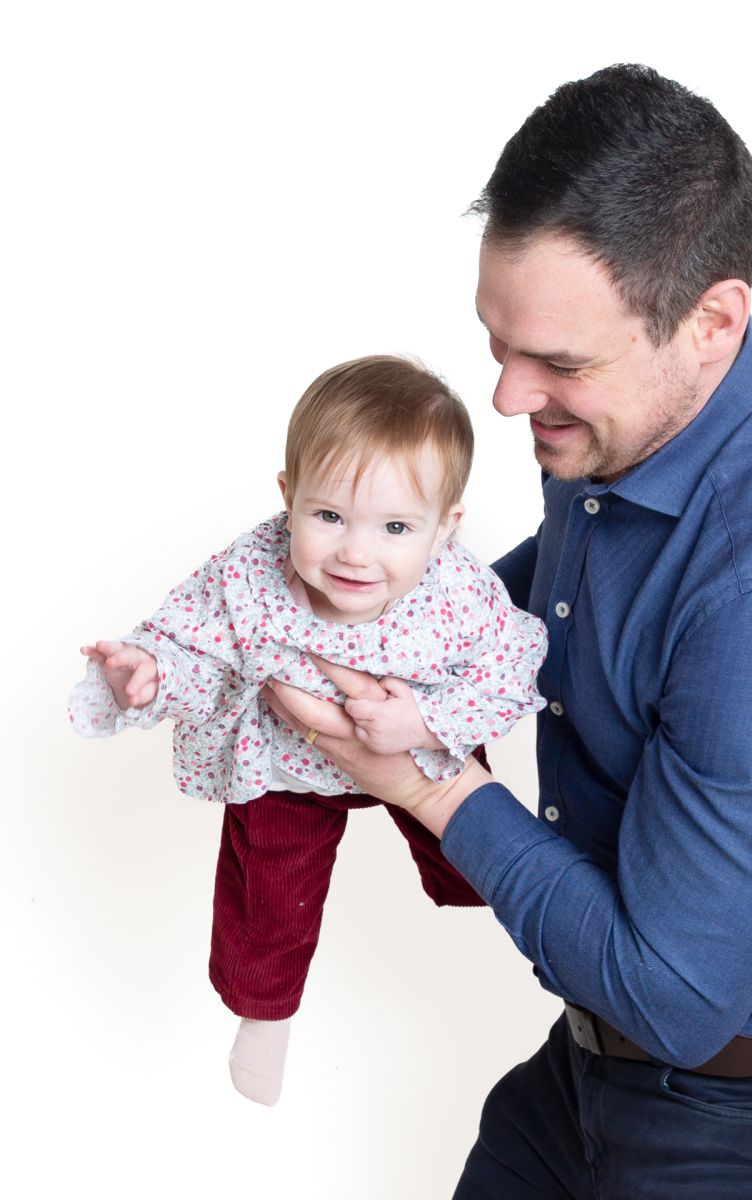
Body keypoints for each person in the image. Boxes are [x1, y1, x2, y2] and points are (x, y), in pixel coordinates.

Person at [264, 65, 752, 1198]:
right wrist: (366, 646)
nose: (506, 398)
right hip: (600, 1072)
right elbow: (558, 597)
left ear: (712, 320)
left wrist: (428, 778)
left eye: (558, 364)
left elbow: (674, 993)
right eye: (498, 344)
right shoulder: (639, 424)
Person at [68, 355, 547, 1107]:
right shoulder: (249, 573)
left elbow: (516, 661)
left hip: (415, 741)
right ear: (288, 498)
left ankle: (521, 927)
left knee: (480, 843)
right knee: (268, 888)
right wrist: (149, 672)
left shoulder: (457, 589)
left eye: (395, 527)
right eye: (328, 517)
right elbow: (194, 643)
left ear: (446, 527)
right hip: (288, 759)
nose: (356, 552)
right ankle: (264, 1015)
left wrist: (424, 718)